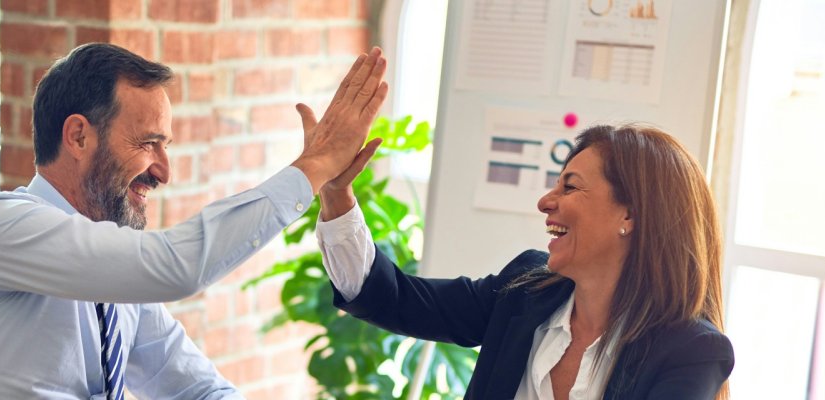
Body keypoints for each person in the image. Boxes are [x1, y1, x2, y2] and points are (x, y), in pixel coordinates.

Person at [0, 43, 388, 399]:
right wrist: (314, 167)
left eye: (166, 146)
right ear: (78, 137)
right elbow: (174, 266)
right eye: (147, 143)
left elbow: (196, 391)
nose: (164, 171)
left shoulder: (114, 287)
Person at [315, 124, 734, 399]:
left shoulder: (691, 352)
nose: (546, 202)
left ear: (630, 215)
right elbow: (395, 298)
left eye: (570, 188)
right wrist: (336, 193)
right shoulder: (524, 290)